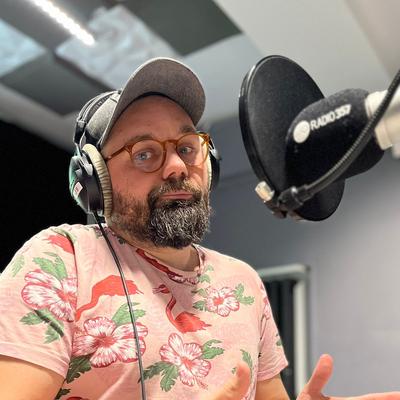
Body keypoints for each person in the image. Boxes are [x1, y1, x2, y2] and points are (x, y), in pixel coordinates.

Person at [0, 57, 398, 400]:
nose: (176, 166)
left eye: (187, 147)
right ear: (95, 180)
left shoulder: (243, 282)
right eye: (144, 154)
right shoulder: (59, 260)